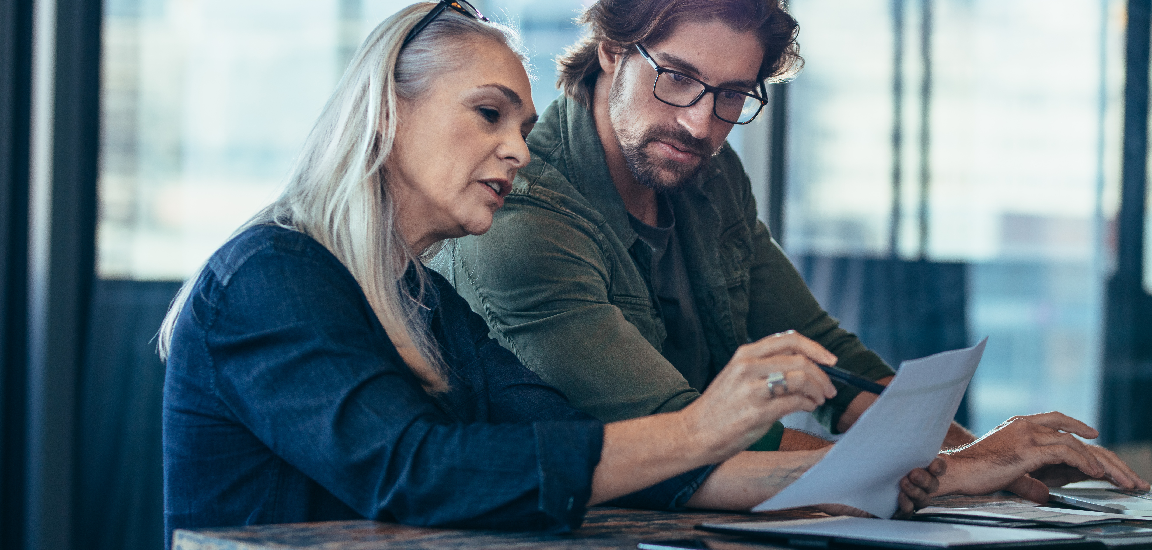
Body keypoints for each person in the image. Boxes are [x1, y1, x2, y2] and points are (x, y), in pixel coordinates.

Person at [157, 2, 939, 539]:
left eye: (526, 128)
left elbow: (588, 448)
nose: (519, 150)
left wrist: (883, 477)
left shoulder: (424, 300)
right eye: (489, 114)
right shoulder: (270, 277)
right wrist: (706, 427)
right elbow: (414, 472)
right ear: (386, 112)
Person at [441, 0, 1149, 501]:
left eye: (730, 95)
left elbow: (829, 362)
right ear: (611, 51)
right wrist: (961, 467)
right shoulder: (519, 211)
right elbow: (681, 434)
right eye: (678, 78)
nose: (698, 122)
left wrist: (997, 470)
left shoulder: (706, 171)